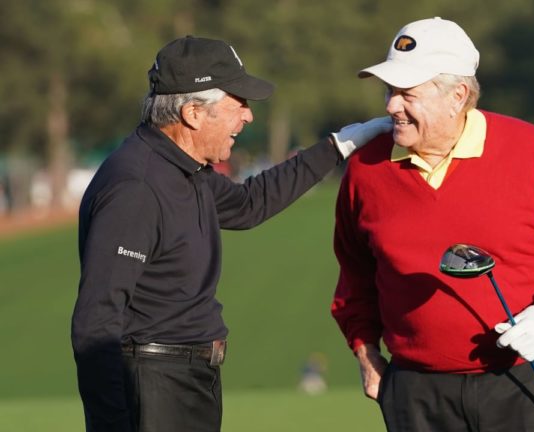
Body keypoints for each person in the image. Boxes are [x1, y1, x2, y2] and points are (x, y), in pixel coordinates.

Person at [71, 35, 391, 432]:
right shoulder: (137, 187)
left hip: (185, 380)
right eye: (238, 103)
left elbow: (249, 203)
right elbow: (96, 320)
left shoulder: (183, 169)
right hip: (153, 386)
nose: (248, 116)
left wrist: (339, 145)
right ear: (192, 113)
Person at [331, 17, 534, 432]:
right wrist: (365, 351)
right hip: (417, 393)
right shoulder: (366, 168)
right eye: (390, 91)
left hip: (526, 381)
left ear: (457, 96)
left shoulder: (530, 150)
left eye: (408, 94)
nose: (392, 106)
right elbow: (354, 276)